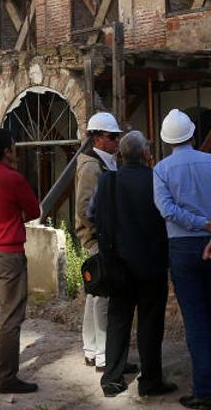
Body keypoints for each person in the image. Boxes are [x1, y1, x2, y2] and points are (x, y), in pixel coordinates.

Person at [152, 109, 211, 410]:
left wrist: (200, 225)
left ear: (167, 141)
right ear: (191, 134)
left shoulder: (161, 170)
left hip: (183, 248)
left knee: (196, 321)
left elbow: (167, 210)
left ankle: (204, 391)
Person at [90, 131, 175, 399]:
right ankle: (150, 381)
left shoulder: (108, 181)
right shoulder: (156, 180)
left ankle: (112, 379)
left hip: (118, 264)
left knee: (118, 320)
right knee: (151, 323)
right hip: (152, 262)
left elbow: (92, 213)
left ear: (120, 154)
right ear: (146, 154)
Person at [0, 128, 41, 394]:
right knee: (11, 316)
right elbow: (34, 210)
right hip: (8, 252)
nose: (16, 148)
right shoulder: (13, 179)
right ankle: (6, 377)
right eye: (13, 145)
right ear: (6, 151)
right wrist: (16, 220)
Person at [74, 111, 124, 372]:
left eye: (117, 136)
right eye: (112, 136)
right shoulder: (93, 165)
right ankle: (104, 355)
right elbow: (84, 208)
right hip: (97, 237)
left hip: (100, 236)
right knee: (103, 296)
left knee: (96, 293)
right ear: (97, 138)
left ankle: (91, 349)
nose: (117, 141)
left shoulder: (104, 161)